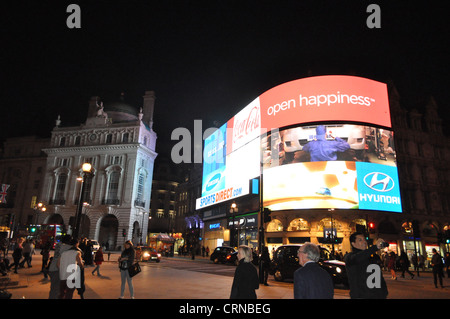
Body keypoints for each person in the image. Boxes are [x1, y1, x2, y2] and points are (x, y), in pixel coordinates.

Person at [344, 232, 388, 299]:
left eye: (364, 239)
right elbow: (358, 257)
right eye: (360, 240)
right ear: (353, 244)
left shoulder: (372, 257)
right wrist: (375, 247)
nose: (364, 242)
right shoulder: (350, 257)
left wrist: (384, 293)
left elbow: (379, 277)